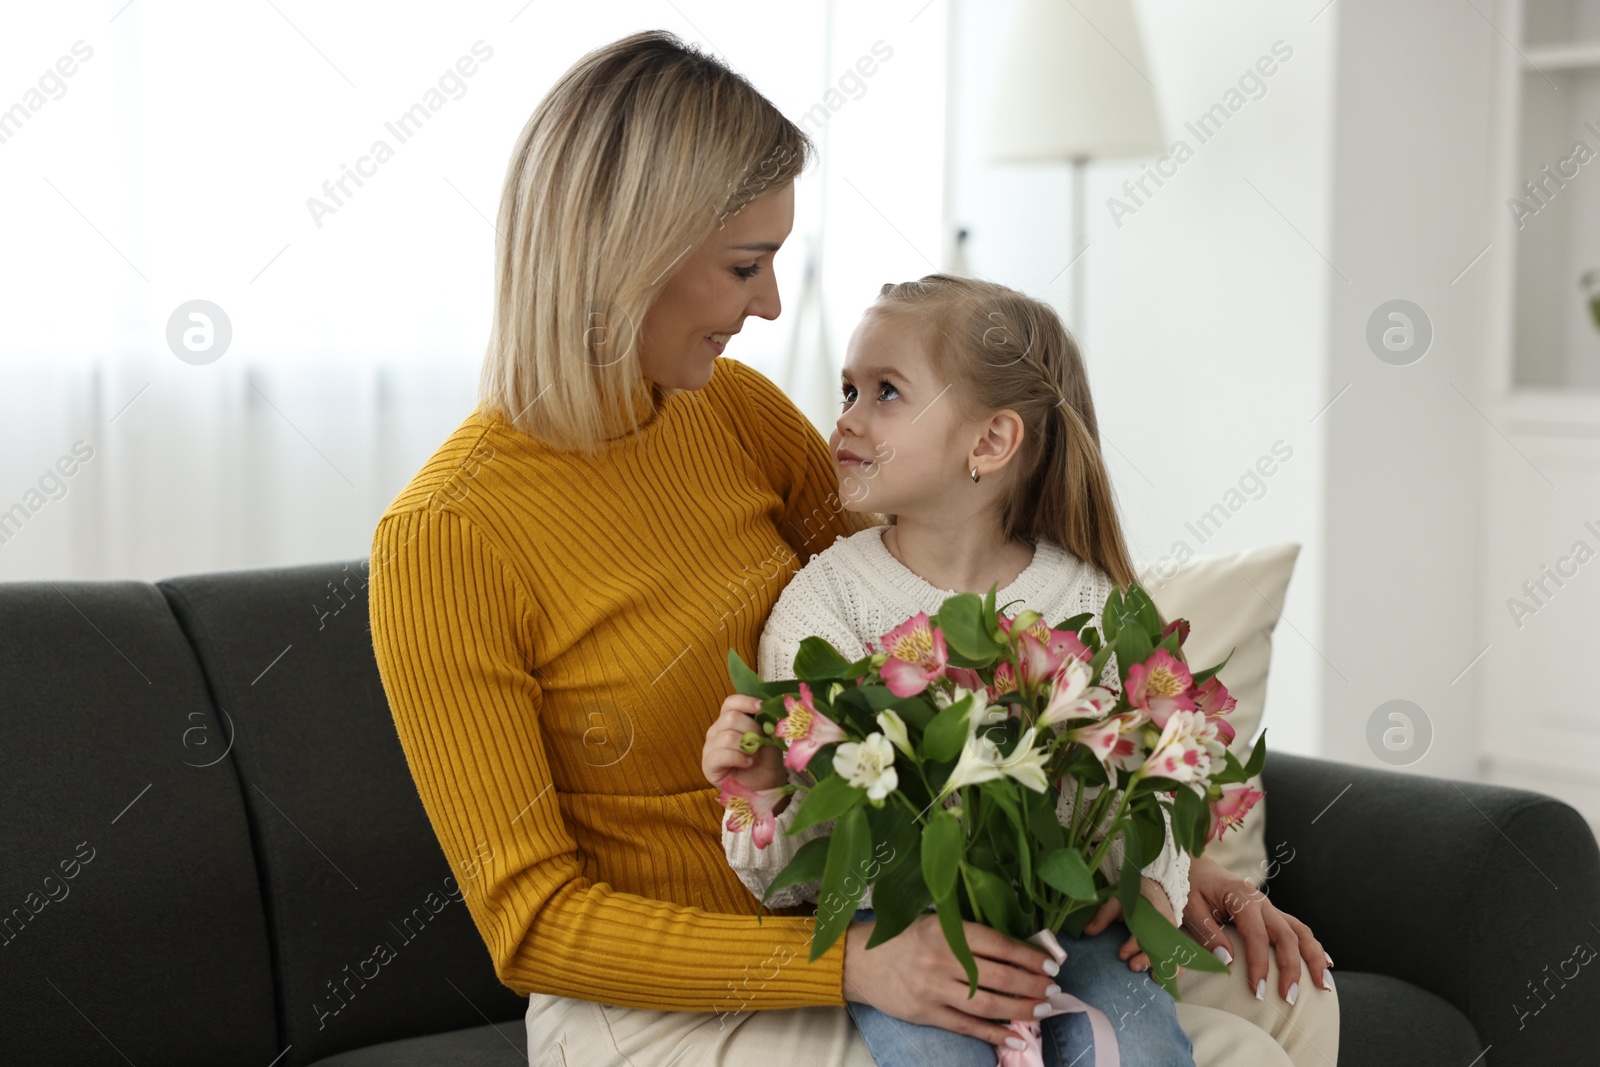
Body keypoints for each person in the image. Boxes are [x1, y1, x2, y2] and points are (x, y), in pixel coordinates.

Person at [367, 29, 1338, 1067]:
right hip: (672, 994)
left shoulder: (729, 410)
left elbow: (931, 606)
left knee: (1289, 1004)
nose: (771, 303)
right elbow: (534, 923)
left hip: (871, 909)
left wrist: (1162, 858)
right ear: (630, 254)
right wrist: (852, 962)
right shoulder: (447, 536)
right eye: (747, 264)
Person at [705, 275, 1200, 1066]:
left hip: (1072, 922)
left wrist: (1154, 885)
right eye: (848, 389)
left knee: (1141, 1047)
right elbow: (795, 883)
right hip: (902, 932)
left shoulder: (1088, 599)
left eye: (886, 392)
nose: (846, 418)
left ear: (991, 442)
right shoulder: (822, 605)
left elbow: (1150, 774)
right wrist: (764, 786)